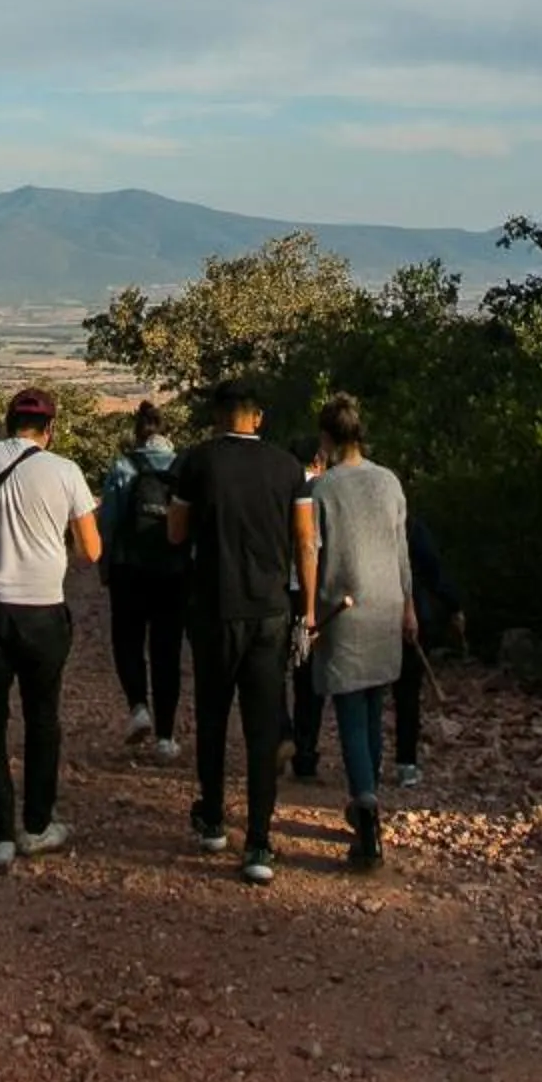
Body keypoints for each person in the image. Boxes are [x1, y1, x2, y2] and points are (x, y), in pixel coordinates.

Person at [0, 388, 100, 872]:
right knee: (42, 716)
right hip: (41, 607)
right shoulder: (65, 471)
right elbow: (91, 551)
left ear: (9, 421)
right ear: (49, 430)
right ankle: (36, 825)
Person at [167, 378, 315, 885]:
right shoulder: (288, 467)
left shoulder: (195, 463)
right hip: (269, 610)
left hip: (213, 608)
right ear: (259, 417)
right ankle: (258, 842)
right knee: (262, 728)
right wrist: (308, 609)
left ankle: (211, 819)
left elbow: (175, 532)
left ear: (217, 417)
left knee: (211, 716)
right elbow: (305, 542)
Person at [307, 394, 413, 871]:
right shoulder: (388, 481)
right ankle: (368, 797)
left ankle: (366, 808)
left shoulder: (325, 489)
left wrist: (309, 612)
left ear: (326, 438)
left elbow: (312, 552)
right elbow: (401, 550)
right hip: (388, 602)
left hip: (344, 607)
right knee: (372, 706)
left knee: (350, 706)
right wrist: (409, 606)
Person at [96, 400, 188, 758]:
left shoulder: (123, 466)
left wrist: (106, 567)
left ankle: (138, 707)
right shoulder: (182, 468)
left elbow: (110, 524)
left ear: (137, 431)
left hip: (129, 570)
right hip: (173, 573)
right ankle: (166, 737)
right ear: (166, 431)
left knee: (128, 640)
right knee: (167, 649)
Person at [394, 511, 463, 786]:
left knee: (370, 694)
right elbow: (435, 569)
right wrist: (454, 605)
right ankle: (406, 763)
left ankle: (369, 762)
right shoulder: (412, 527)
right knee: (408, 694)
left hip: (374, 616)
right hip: (412, 620)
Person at [287, 436, 326, 781]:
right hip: (312, 589)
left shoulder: (279, 488)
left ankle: (281, 733)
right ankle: (306, 750)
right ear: (319, 459)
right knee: (309, 676)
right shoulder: (323, 491)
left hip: (278, 588)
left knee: (271, 667)